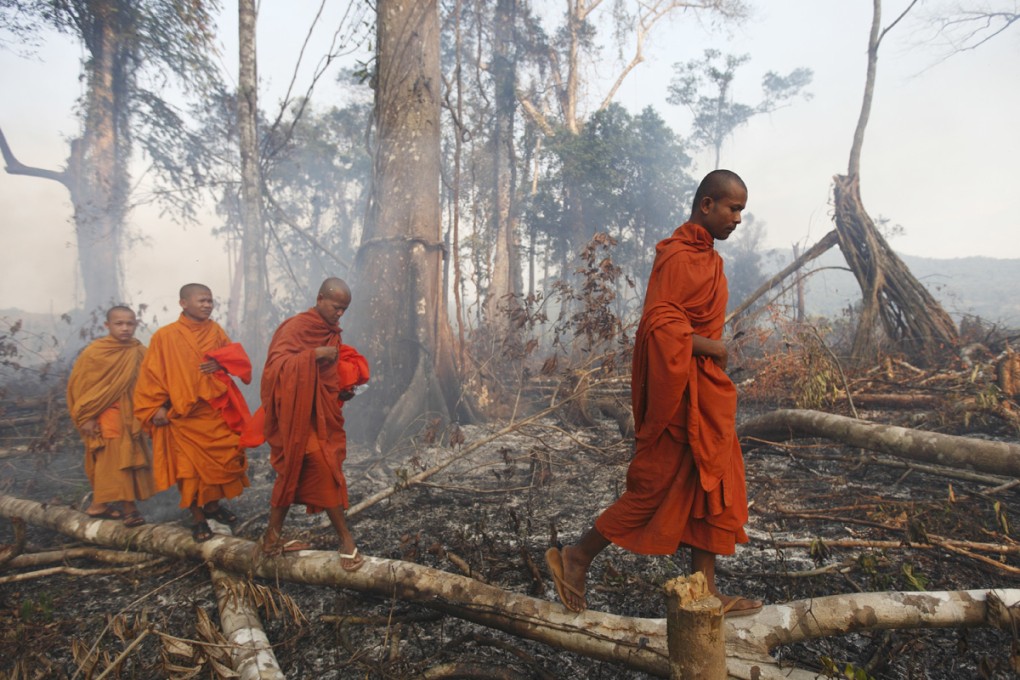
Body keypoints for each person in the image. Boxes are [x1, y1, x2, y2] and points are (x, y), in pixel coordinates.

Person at [545, 169, 763, 617]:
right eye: (733, 208)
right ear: (707, 205)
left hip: (706, 393)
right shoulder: (678, 257)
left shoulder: (712, 261)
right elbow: (659, 326)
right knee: (651, 487)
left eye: (742, 210)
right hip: (678, 394)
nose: (738, 219)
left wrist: (711, 353)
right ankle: (577, 556)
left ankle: (705, 591)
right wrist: (714, 347)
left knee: (712, 485)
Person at [255, 277, 368, 571]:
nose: (339, 314)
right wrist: (313, 355)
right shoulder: (296, 327)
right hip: (295, 418)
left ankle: (271, 538)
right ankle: (346, 542)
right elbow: (273, 370)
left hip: (317, 417)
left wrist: (342, 391)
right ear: (319, 299)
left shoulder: (331, 332)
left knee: (293, 472)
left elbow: (325, 380)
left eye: (344, 309)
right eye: (335, 307)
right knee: (323, 467)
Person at [133, 283, 253, 542]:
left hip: (214, 412)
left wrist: (220, 363)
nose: (207, 305)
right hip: (182, 417)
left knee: (228, 456)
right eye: (202, 300)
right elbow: (152, 376)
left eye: (210, 301)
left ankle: (212, 507)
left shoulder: (215, 330)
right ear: (183, 303)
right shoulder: (165, 336)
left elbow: (234, 359)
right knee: (189, 472)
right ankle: (198, 519)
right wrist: (156, 407)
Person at [66, 306, 155, 527]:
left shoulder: (138, 351)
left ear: (135, 325)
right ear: (107, 325)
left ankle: (99, 505)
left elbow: (152, 380)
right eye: (119, 323)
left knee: (125, 458)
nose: (125, 328)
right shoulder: (95, 352)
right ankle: (129, 509)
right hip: (105, 416)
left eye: (130, 323)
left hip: (132, 416)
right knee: (115, 460)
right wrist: (86, 417)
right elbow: (80, 387)